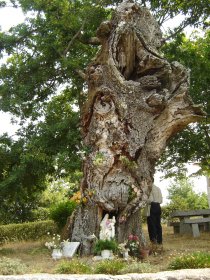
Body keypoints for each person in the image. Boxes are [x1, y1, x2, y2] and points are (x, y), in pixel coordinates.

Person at [146, 184, 163, 251]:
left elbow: (150, 199)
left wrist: (145, 201)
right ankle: (160, 240)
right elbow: (161, 200)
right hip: (158, 207)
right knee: (158, 224)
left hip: (152, 206)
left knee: (151, 225)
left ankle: (153, 240)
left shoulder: (149, 188)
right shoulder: (158, 188)